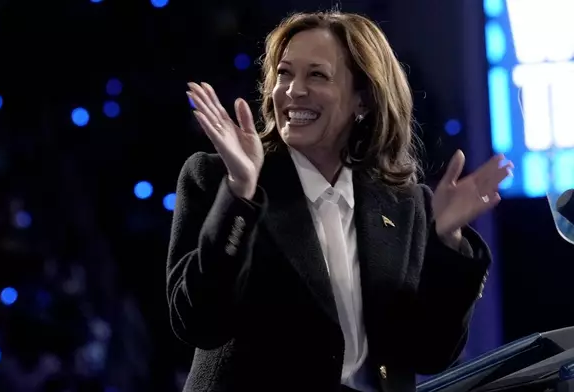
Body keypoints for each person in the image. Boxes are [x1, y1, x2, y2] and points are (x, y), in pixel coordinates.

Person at [166, 10, 512, 392]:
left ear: (362, 100)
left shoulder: (403, 204)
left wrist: (447, 241)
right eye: (284, 73)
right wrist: (240, 195)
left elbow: (430, 352)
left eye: (317, 75)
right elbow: (197, 322)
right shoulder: (218, 179)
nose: (293, 90)